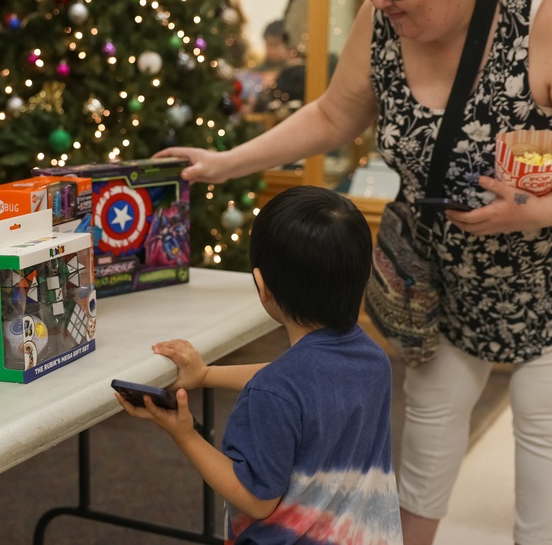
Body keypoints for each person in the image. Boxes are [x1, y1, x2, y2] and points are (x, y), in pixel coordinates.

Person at [156, 0, 552, 543]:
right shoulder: (385, 16)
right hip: (446, 258)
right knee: (433, 401)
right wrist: (225, 161)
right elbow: (337, 112)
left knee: (544, 410)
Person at [115, 186, 403, 544]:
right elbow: (303, 383)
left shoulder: (276, 391)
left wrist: (185, 434)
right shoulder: (374, 361)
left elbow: (255, 498)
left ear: (261, 285)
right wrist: (205, 375)